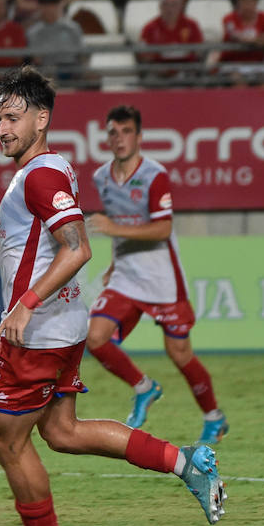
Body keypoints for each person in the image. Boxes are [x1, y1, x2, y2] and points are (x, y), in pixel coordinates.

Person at [0, 67, 226, 526]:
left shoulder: (42, 175)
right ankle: (187, 463)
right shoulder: (49, 169)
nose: (2, 128)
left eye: (13, 117)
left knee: (6, 440)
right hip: (66, 325)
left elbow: (78, 248)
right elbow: (38, 241)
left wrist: (26, 303)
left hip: (37, 332)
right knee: (63, 431)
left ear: (42, 118)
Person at [84, 105, 228, 444]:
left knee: (179, 354)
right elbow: (123, 228)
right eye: (113, 133)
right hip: (126, 277)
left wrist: (112, 227)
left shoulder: (154, 176)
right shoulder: (102, 177)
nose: (120, 139)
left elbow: (162, 229)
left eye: (127, 132)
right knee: (95, 338)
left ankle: (214, 417)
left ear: (140, 137)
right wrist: (115, 265)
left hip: (162, 279)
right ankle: (144, 387)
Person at [137, 0, 204, 84]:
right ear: (160, 7)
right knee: (150, 79)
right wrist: (159, 54)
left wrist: (185, 52)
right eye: (166, 4)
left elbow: (199, 50)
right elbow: (143, 55)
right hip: (159, 69)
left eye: (174, 4)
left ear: (181, 6)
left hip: (186, 68)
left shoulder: (191, 25)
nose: (169, 9)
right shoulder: (150, 27)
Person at [215, 0, 264, 83]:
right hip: (233, 64)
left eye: (251, 1)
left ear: (256, 2)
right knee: (238, 80)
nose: (247, 5)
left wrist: (259, 39)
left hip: (257, 64)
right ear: (238, 3)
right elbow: (236, 37)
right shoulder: (229, 18)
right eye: (244, 1)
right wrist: (258, 40)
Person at [26, 0, 84, 82]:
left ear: (59, 6)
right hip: (48, 68)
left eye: (53, 5)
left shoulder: (72, 28)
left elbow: (81, 53)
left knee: (92, 75)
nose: (50, 9)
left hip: (71, 67)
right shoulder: (34, 32)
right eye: (46, 5)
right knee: (46, 74)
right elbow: (37, 59)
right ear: (40, 7)